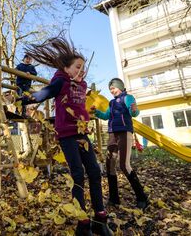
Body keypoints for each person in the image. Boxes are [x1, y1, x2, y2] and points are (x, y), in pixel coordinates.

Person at [20, 36, 112, 236]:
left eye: (83, 67)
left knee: (95, 172)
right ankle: (83, 221)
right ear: (67, 69)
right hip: (67, 135)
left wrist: (89, 113)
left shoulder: (82, 85)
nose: (81, 70)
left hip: (82, 134)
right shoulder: (60, 82)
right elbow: (44, 93)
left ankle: (100, 217)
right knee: (78, 174)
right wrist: (23, 100)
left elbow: (80, 105)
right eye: (77, 67)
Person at [93, 78, 149, 210]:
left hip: (125, 132)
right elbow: (106, 116)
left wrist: (134, 110)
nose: (112, 91)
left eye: (113, 88)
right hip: (113, 133)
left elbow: (133, 112)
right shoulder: (112, 102)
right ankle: (114, 198)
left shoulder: (128, 97)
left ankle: (142, 198)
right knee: (110, 164)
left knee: (124, 165)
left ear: (120, 87)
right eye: (110, 89)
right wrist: (96, 112)